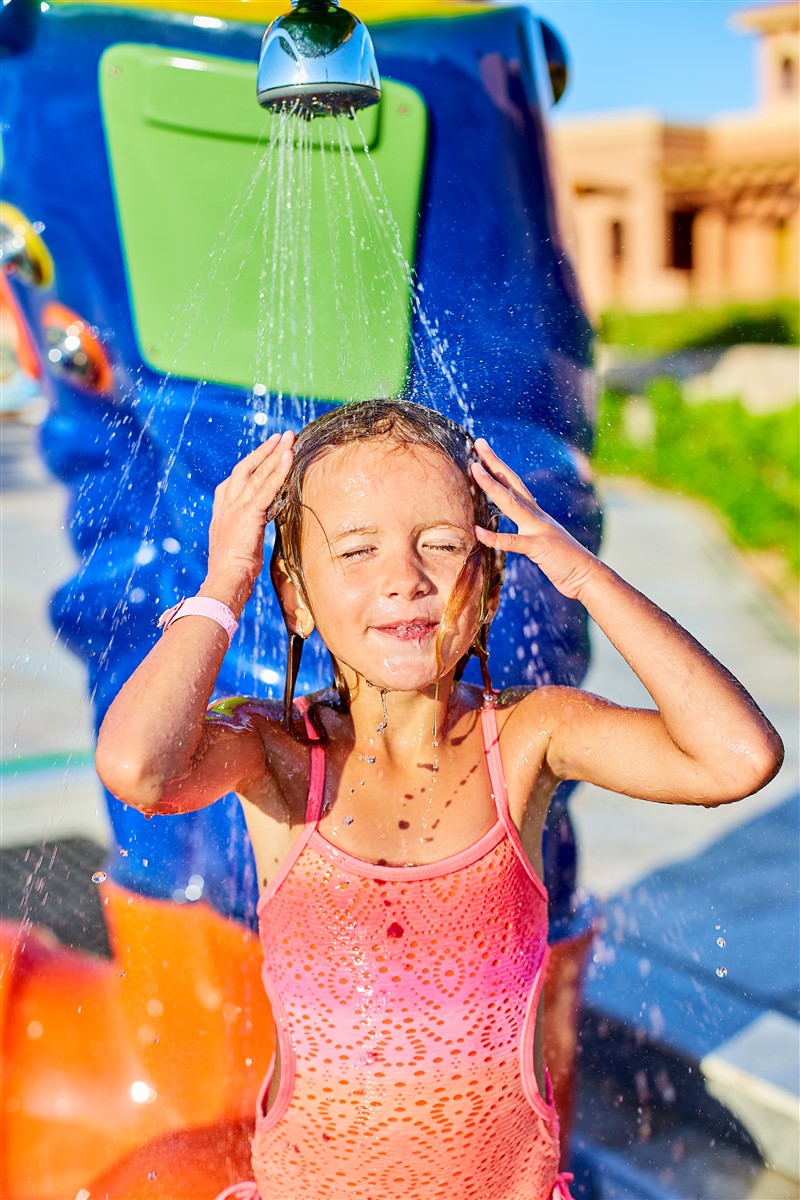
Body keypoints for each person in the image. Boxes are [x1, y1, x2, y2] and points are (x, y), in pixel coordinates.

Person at [95, 399, 782, 1200]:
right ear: (296, 598)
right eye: (356, 551)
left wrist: (582, 575)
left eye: (444, 545)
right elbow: (139, 767)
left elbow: (737, 757)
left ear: (488, 586)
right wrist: (224, 582)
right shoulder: (278, 755)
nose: (405, 579)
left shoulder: (528, 738)